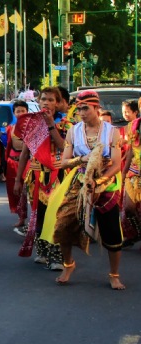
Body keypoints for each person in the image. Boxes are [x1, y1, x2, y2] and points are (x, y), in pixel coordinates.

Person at [43, 90, 125, 290]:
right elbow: (63, 162)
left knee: (112, 232)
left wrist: (100, 181)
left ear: (96, 108)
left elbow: (116, 163)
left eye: (85, 108)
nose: (81, 112)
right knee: (62, 225)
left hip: (106, 183)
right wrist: (82, 160)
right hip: (79, 181)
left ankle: (114, 274)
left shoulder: (111, 131)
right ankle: (68, 265)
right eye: (78, 108)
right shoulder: (74, 131)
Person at [13, 87, 67, 271]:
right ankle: (43, 251)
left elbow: (63, 147)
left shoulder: (66, 124)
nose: (46, 102)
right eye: (43, 99)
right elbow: (25, 153)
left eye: (51, 99)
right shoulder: (33, 124)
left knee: (57, 216)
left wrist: (51, 125)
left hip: (58, 175)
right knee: (40, 214)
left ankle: (56, 257)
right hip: (36, 176)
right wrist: (18, 180)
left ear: (58, 103)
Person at [5, 100, 30, 234]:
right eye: (17, 111)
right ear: (14, 113)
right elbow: (8, 146)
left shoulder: (33, 128)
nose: (20, 113)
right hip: (12, 162)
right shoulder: (10, 128)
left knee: (28, 191)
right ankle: (21, 217)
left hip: (28, 163)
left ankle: (34, 221)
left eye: (23, 111)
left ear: (27, 112)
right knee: (16, 192)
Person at [122, 106, 141, 247]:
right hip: (134, 171)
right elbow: (130, 151)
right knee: (129, 207)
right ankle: (137, 233)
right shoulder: (133, 126)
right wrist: (123, 172)